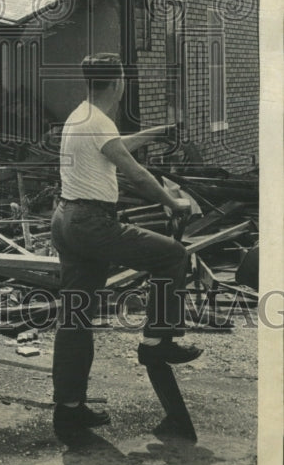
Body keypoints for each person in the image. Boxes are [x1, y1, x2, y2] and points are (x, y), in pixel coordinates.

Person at [51, 52, 201, 434]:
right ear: (119, 83)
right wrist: (173, 201)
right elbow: (134, 173)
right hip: (92, 223)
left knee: (75, 317)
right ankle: (156, 341)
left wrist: (156, 132)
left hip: (67, 219)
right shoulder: (98, 121)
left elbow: (115, 146)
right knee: (173, 255)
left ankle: (69, 408)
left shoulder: (82, 114)